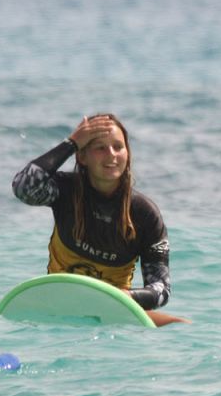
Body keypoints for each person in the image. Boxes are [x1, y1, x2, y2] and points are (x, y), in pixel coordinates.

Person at [12, 114, 189, 327]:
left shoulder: (144, 214)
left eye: (118, 147)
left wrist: (124, 296)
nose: (111, 154)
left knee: (181, 324)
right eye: (100, 148)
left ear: (127, 154)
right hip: (58, 305)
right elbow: (23, 187)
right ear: (82, 157)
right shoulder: (64, 191)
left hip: (110, 313)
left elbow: (162, 289)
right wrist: (72, 143)